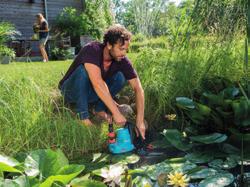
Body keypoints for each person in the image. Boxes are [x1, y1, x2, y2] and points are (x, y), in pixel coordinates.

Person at [58, 24, 146, 139]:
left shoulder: (122, 60)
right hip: (71, 91)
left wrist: (140, 120)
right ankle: (83, 117)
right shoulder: (92, 49)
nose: (124, 53)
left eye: (126, 49)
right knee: (82, 71)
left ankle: (98, 109)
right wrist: (116, 113)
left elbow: (138, 88)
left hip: (90, 92)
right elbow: (98, 83)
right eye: (121, 48)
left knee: (121, 76)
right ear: (109, 45)